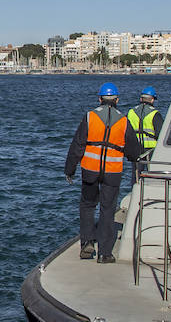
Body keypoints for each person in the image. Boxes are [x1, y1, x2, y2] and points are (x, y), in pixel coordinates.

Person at [65, 82, 142, 263]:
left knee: (87, 206)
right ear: (117, 100)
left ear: (99, 99)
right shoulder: (123, 121)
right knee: (108, 210)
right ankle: (105, 253)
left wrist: (70, 169)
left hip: (90, 170)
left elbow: (77, 145)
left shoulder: (90, 117)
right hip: (112, 172)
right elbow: (134, 151)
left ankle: (87, 244)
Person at [127, 87, 162, 168]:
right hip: (151, 150)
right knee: (151, 173)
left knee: (136, 174)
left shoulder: (131, 112)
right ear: (152, 100)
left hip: (135, 149)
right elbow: (160, 134)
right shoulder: (155, 113)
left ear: (141, 99)